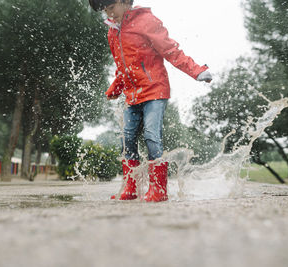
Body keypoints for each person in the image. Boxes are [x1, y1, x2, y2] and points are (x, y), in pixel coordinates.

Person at [88, 0, 212, 202]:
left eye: (111, 8)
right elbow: (123, 66)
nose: (109, 14)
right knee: (127, 139)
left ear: (124, 1)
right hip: (132, 93)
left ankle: (158, 189)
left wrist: (196, 71)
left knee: (151, 135)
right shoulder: (113, 31)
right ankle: (131, 187)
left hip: (154, 90)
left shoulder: (146, 21)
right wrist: (115, 88)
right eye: (105, 11)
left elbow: (171, 50)